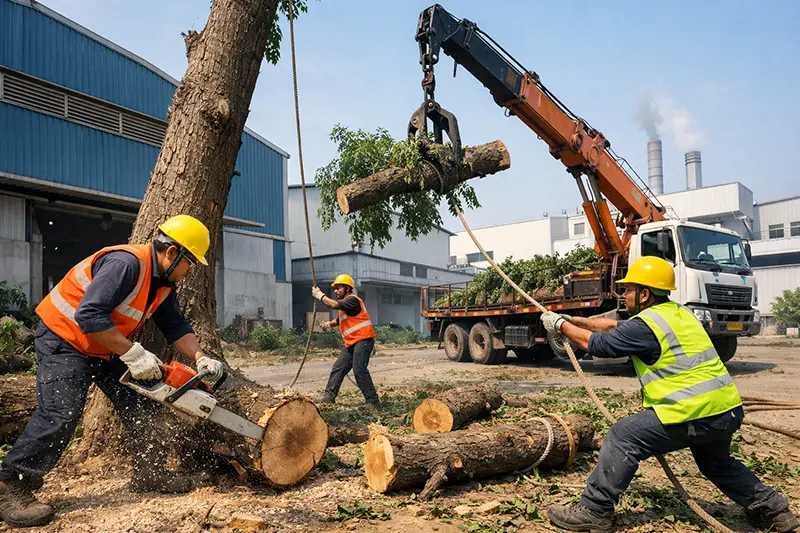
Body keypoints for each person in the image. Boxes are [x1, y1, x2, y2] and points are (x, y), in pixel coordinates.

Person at [541, 256, 799, 533]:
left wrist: (560, 326)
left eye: (629, 289)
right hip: (726, 411)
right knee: (717, 463)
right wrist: (574, 319)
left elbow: (599, 345)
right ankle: (774, 511)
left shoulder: (644, 326)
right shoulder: (677, 313)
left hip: (693, 413)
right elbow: (614, 327)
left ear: (645, 293)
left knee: (622, 435)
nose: (624, 294)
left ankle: (595, 510)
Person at [0, 215, 225, 528]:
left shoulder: (163, 284)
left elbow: (175, 325)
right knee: (61, 412)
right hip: (65, 339)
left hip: (105, 345)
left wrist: (199, 356)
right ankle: (11, 484)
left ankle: (151, 472)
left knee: (144, 400)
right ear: (172, 254)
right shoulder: (126, 264)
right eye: (191, 263)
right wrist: (132, 352)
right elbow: (89, 315)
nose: (190, 273)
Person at [311, 274, 380, 407]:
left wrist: (321, 296)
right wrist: (328, 324)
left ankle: (372, 401)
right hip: (352, 342)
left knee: (359, 369)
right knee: (338, 368)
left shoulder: (352, 300)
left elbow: (334, 305)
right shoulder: (346, 306)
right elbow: (340, 319)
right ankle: (329, 395)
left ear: (348, 288)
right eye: (335, 289)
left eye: (339, 288)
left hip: (363, 340)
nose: (336, 291)